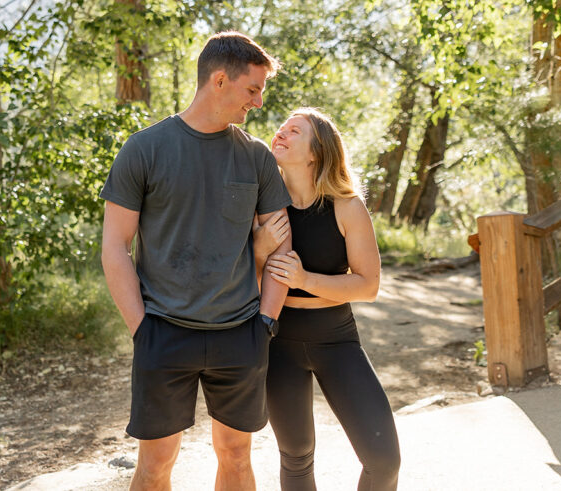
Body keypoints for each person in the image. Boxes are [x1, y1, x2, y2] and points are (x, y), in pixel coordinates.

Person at [99, 31, 293, 491]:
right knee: (155, 464)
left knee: (236, 457)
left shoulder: (256, 157)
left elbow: (282, 249)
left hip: (240, 333)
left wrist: (265, 322)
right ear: (220, 80)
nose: (260, 102)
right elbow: (114, 246)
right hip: (163, 332)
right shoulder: (144, 149)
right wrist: (142, 329)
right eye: (254, 88)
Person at [253, 108, 401, 491]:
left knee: (383, 461)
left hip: (336, 338)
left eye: (294, 130)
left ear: (316, 151)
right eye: (281, 127)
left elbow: (368, 286)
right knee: (296, 457)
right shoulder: (261, 208)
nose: (280, 133)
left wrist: (304, 278)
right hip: (279, 342)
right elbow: (242, 278)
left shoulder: (347, 207)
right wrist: (259, 247)